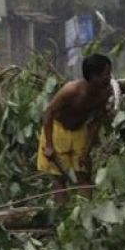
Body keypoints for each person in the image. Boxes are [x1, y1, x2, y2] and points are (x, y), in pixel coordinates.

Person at [37, 53, 113, 200]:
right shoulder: (71, 90)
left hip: (79, 131)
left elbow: (96, 120)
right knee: (59, 180)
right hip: (57, 130)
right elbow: (48, 113)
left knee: (84, 175)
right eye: (106, 74)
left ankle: (86, 214)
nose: (109, 77)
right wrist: (49, 145)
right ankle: (63, 216)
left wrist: (86, 150)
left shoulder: (104, 93)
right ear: (93, 77)